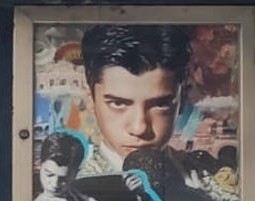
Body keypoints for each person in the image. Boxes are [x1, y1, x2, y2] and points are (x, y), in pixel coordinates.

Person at [76, 25, 190, 177]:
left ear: (182, 99)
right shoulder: (70, 184)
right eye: (118, 104)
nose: (139, 128)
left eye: (160, 105)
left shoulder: (206, 181)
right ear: (91, 100)